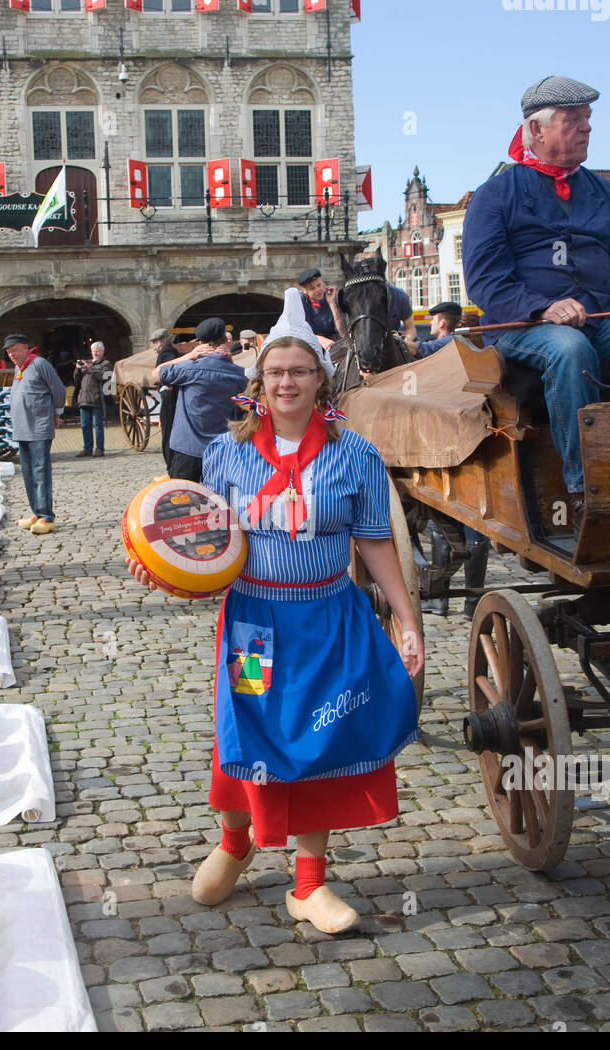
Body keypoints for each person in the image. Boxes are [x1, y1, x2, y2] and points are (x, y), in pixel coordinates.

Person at [128, 289, 424, 935]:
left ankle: (309, 884)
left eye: (299, 371)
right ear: (258, 382)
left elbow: (374, 539)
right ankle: (236, 843)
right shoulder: (225, 454)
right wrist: (156, 563)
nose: (287, 382)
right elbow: (201, 537)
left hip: (330, 625)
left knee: (318, 740)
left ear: (321, 380)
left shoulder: (357, 456)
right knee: (250, 732)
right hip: (254, 627)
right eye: (275, 372)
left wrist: (405, 618)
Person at [463, 75, 610, 524]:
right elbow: (486, 283)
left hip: (603, 316)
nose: (587, 128)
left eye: (588, 119)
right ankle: (584, 491)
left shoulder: (608, 194)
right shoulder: (493, 197)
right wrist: (543, 308)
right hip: (523, 327)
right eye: (573, 120)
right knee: (570, 349)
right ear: (537, 130)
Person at [158, 317, 249, 483]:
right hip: (223, 449)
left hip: (188, 447)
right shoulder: (239, 374)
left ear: (200, 342)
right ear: (225, 340)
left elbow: (157, 372)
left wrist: (188, 356)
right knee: (221, 503)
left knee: (182, 502)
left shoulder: (188, 369)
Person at [6, 333, 67, 535]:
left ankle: (46, 516)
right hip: (21, 428)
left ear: (25, 347)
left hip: (39, 426)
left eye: (14, 349)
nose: (11, 354)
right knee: (28, 472)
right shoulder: (19, 368)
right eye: (8, 351)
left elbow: (58, 389)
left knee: (40, 471)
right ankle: (36, 511)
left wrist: (58, 412)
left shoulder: (40, 363)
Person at [151, 328, 182, 473]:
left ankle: (170, 466)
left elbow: (170, 370)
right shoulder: (169, 351)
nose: (152, 345)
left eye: (154, 342)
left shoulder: (167, 352)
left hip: (170, 395)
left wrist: (166, 383)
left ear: (162, 341)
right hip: (171, 393)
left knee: (168, 431)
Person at [75, 341, 110, 458]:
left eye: (98, 350)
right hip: (84, 398)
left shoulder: (106, 364)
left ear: (102, 352)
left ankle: (99, 449)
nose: (95, 352)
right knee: (85, 425)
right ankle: (87, 448)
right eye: (93, 350)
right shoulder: (87, 363)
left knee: (97, 425)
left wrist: (89, 368)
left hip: (97, 398)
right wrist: (78, 369)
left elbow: (106, 378)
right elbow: (76, 379)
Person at [297, 268, 346, 344]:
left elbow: (343, 333)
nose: (318, 290)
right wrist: (320, 340)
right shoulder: (300, 300)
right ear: (304, 290)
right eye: (312, 288)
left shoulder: (332, 295)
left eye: (319, 285)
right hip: (310, 342)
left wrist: (332, 303)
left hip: (334, 342)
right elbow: (299, 331)